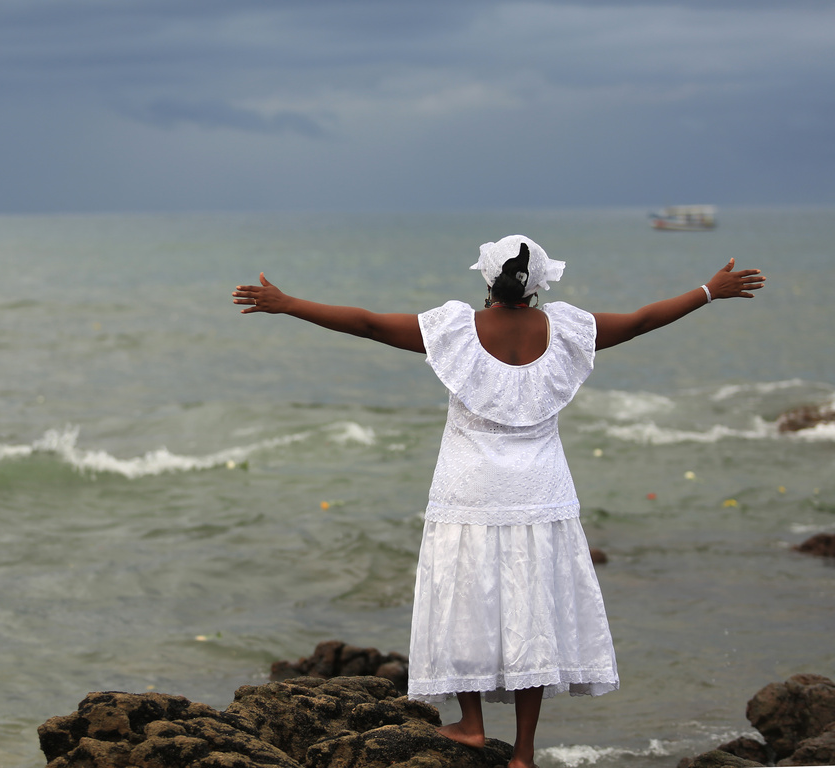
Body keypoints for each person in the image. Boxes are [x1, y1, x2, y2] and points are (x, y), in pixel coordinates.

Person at [232, 235, 765, 768]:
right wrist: (708, 291)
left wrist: (288, 304)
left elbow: (368, 323)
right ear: (539, 286)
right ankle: (525, 753)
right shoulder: (567, 329)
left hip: (469, 492)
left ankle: (471, 726)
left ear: (488, 280)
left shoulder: (456, 330)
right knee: (531, 613)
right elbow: (645, 318)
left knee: (468, 600)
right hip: (541, 493)